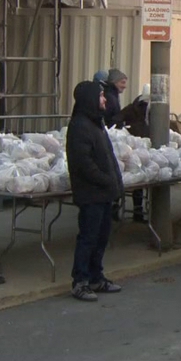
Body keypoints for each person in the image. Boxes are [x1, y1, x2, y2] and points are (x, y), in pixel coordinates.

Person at [66, 80, 125, 301]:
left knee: (101, 238)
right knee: (88, 238)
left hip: (103, 193)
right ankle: (80, 281)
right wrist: (106, 180)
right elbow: (84, 163)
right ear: (90, 99)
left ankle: (96, 276)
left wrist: (114, 184)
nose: (105, 99)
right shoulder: (80, 126)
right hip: (91, 193)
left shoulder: (96, 124)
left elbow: (106, 157)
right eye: (101, 96)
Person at [119, 84, 151, 222]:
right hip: (143, 145)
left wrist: (125, 131)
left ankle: (117, 209)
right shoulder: (151, 108)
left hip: (132, 146)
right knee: (139, 177)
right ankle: (138, 211)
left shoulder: (132, 107)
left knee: (131, 176)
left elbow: (117, 118)